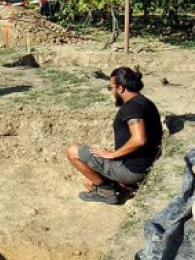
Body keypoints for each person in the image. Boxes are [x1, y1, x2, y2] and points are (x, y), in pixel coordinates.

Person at [66, 67, 163, 204]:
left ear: (121, 88)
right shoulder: (145, 102)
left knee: (72, 151)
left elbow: (139, 139)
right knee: (89, 180)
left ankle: (107, 192)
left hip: (132, 171)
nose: (110, 91)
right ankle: (120, 186)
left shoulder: (132, 107)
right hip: (142, 167)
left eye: (110, 87)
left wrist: (113, 155)